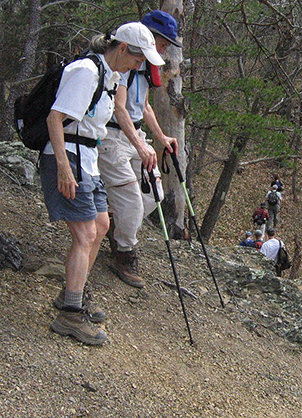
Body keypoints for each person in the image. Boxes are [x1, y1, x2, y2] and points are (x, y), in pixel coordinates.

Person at [43, 22, 164, 345]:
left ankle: (75, 293)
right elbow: (55, 118)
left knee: (100, 225)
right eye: (139, 58)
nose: (141, 65)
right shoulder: (86, 71)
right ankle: (70, 313)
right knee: (85, 234)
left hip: (87, 158)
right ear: (122, 48)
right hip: (70, 156)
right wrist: (62, 167)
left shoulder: (110, 76)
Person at [98, 10, 182, 289]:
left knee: (153, 194)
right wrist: (140, 146)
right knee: (132, 201)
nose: (165, 47)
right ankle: (124, 253)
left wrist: (161, 138)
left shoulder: (145, 67)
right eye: (163, 41)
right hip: (112, 136)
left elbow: (143, 107)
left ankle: (116, 225)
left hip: (134, 133)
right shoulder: (126, 63)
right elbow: (119, 108)